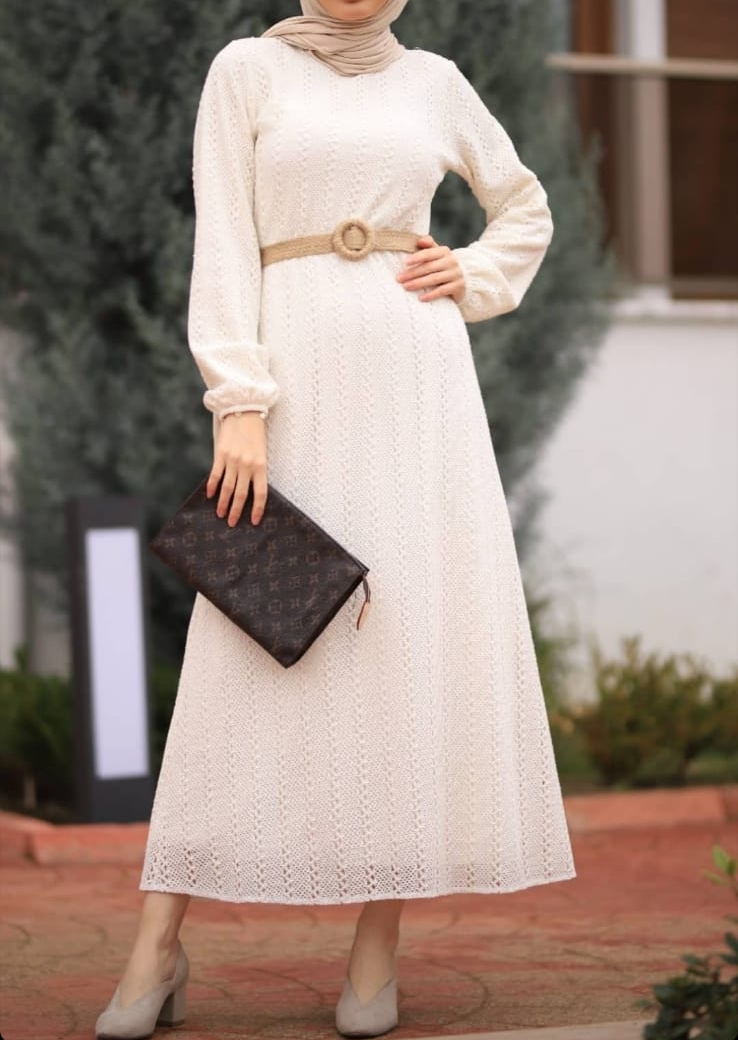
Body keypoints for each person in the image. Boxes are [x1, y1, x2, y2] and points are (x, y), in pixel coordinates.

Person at [95, 1, 575, 1037]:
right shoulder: (247, 70)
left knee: (399, 644)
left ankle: (375, 949)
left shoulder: (435, 82)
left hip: (417, 383)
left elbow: (525, 206)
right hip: (294, 381)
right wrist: (239, 403)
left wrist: (473, 271)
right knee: (239, 646)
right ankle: (157, 945)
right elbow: (225, 243)